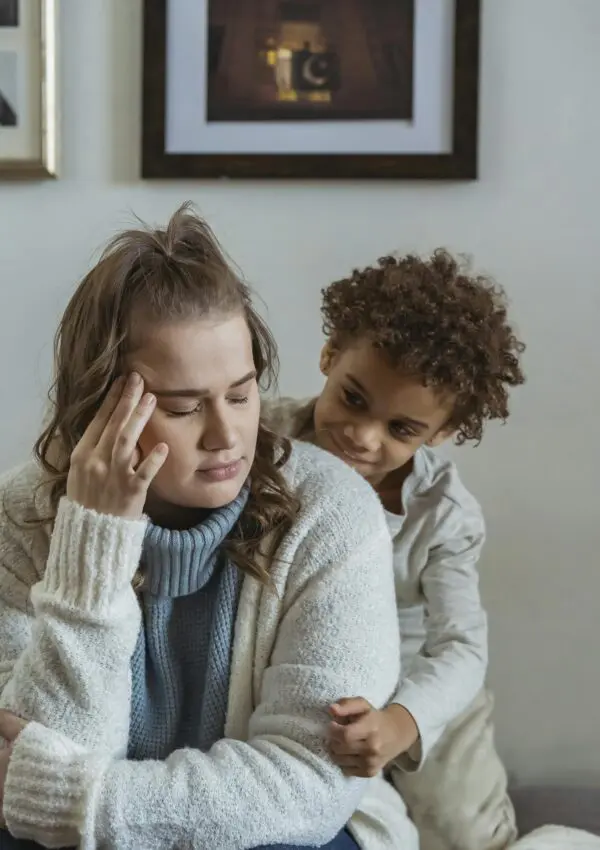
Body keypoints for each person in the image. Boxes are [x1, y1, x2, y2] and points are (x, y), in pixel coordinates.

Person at [0, 206, 410, 850]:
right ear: (100, 405)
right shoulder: (25, 512)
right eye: (184, 406)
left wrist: (82, 801)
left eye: (242, 395)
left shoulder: (332, 513)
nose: (226, 437)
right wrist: (94, 539)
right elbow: (29, 759)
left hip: (287, 834)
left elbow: (306, 782)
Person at [263, 250, 526, 850]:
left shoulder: (445, 514)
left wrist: (402, 721)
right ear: (329, 358)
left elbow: (460, 646)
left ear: (441, 433)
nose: (362, 436)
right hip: (316, 674)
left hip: (418, 684)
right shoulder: (262, 441)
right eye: (353, 399)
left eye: (401, 430)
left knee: (462, 833)